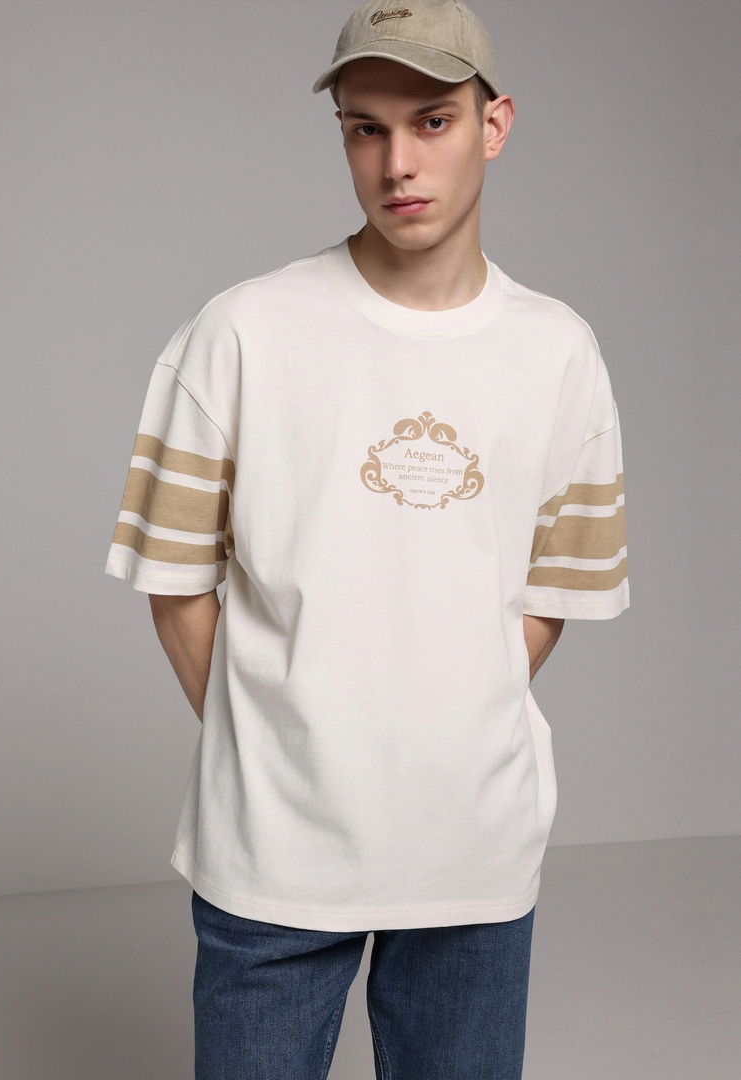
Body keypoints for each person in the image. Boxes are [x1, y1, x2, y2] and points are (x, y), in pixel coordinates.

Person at [106, 0, 629, 1076]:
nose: (398, 163)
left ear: (494, 125)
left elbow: (552, 592)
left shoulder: (558, 352)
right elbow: (174, 581)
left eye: (432, 121)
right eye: (365, 128)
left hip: (474, 853)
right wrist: (285, 740)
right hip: (271, 857)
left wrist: (446, 717)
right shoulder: (242, 331)